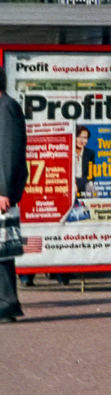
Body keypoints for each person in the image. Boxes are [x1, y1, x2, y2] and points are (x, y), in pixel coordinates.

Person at [0, 68, 27, 324]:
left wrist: (4, 191)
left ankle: (8, 303)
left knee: (2, 250)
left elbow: (8, 151)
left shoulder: (6, 108)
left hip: (1, 193)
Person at [73, 125, 96, 197]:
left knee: (92, 188)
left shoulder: (90, 154)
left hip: (83, 183)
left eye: (85, 138)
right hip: (70, 184)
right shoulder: (67, 151)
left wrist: (78, 183)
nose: (82, 140)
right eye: (79, 136)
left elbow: (91, 176)